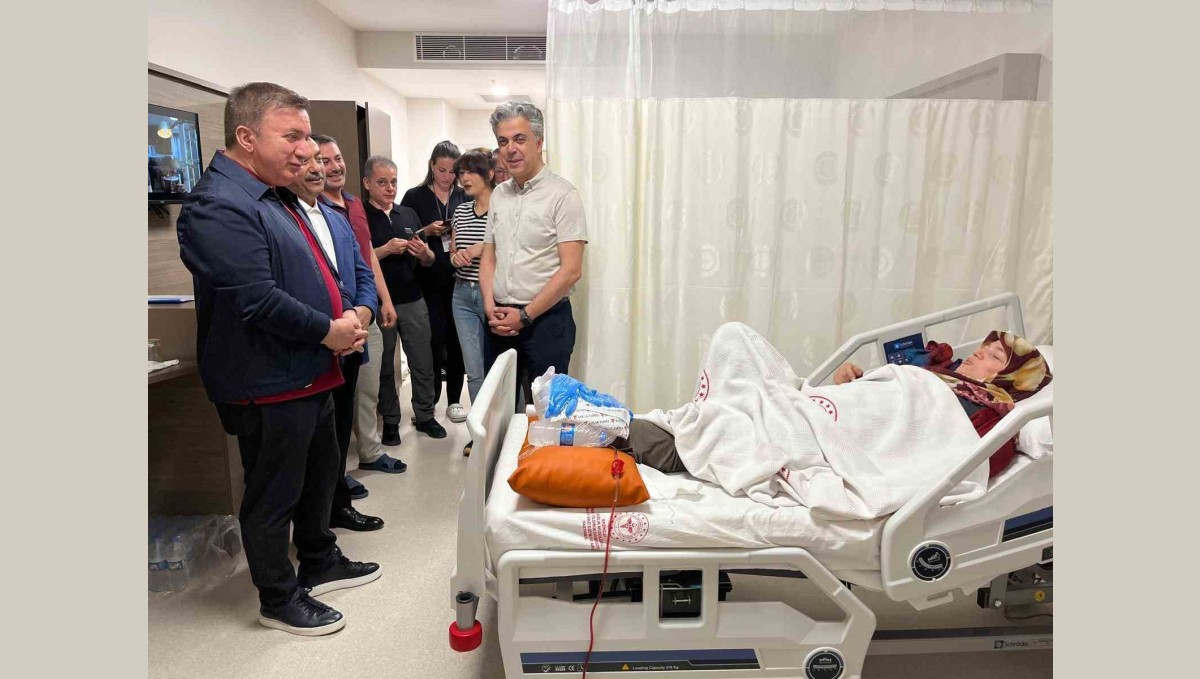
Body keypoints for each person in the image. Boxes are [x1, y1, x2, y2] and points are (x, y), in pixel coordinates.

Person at [177, 82, 380, 636]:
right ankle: (278, 596)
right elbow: (258, 299)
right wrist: (329, 332)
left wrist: (348, 319)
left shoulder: (276, 196)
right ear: (246, 137)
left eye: (307, 136)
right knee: (273, 492)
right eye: (292, 136)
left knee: (319, 476)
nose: (306, 149)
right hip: (267, 379)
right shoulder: (218, 205)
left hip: (309, 371)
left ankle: (319, 559)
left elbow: (323, 270)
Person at [618, 330, 1054, 481]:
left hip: (826, 438)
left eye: (994, 356)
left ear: (1013, 379)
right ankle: (638, 433)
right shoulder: (937, 376)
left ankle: (629, 436)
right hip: (817, 412)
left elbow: (931, 447)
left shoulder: (993, 420)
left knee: (729, 429)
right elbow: (880, 407)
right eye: (984, 346)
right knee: (735, 339)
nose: (978, 353)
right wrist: (855, 384)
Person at [287, 138, 385, 533]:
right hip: (313, 344)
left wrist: (362, 314)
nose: (320, 168)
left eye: (326, 159)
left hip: (350, 339)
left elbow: (363, 272)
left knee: (339, 430)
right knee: (313, 443)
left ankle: (337, 506)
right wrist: (333, 328)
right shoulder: (284, 216)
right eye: (312, 160)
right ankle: (315, 524)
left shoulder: (336, 216)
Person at [481, 102, 588, 410]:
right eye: (503, 141)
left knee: (546, 414)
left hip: (546, 323)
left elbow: (571, 270)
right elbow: (489, 255)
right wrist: (489, 306)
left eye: (519, 139)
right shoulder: (499, 194)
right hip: (499, 320)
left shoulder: (563, 195)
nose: (510, 149)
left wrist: (525, 315)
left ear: (539, 142)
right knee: (496, 411)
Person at [313, 134, 398, 501]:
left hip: (365, 311)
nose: (334, 167)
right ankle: (336, 476)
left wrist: (382, 300)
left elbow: (366, 258)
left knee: (367, 387)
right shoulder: (309, 208)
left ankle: (369, 452)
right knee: (334, 401)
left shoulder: (353, 205)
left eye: (337, 158)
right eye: (324, 160)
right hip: (335, 320)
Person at [363, 155, 448, 446]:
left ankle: (425, 415)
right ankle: (390, 420)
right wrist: (385, 250)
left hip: (413, 298)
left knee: (423, 360)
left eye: (394, 182)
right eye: (382, 182)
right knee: (385, 365)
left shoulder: (408, 215)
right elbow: (357, 260)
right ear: (367, 183)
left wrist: (424, 254)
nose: (390, 188)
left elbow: (430, 259)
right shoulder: (359, 217)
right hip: (378, 303)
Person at [401, 141, 470, 425]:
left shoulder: (464, 195)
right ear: (432, 166)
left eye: (453, 171)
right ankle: (429, 401)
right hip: (426, 280)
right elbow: (404, 234)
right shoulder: (415, 196)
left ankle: (454, 400)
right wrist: (426, 231)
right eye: (442, 170)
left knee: (457, 341)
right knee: (431, 341)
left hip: (459, 278)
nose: (447, 177)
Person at [448, 149, 496, 456]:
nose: (464, 178)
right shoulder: (461, 211)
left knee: (500, 368)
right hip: (462, 295)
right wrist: (456, 258)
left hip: (495, 294)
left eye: (471, 172)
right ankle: (480, 434)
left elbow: (513, 251)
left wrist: (482, 248)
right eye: (461, 173)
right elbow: (453, 252)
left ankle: (505, 432)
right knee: (474, 370)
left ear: (489, 174)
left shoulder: (503, 208)